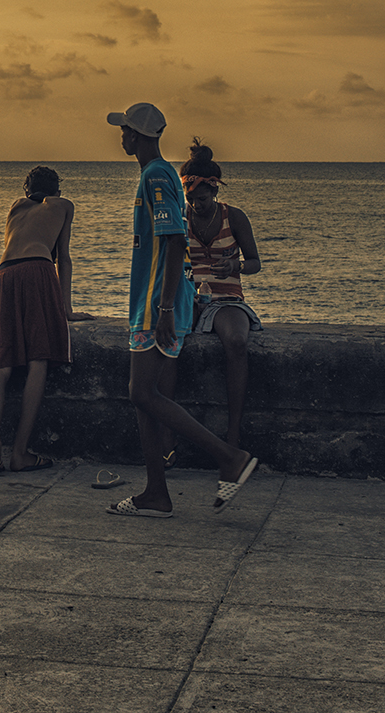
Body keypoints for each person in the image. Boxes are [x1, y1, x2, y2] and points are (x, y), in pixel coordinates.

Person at [106, 102, 257, 517]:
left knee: (141, 392)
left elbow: (174, 241)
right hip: (153, 300)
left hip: (158, 302)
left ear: (137, 136)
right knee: (146, 397)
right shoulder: (160, 175)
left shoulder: (155, 175)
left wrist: (167, 307)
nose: (121, 137)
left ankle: (229, 457)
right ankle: (156, 492)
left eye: (125, 131)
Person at [0, 166, 93, 474]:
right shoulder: (63, 205)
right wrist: (66, 309)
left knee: (0, 364)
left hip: (4, 275)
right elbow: (63, 257)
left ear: (26, 189)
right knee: (38, 359)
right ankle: (20, 453)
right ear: (57, 189)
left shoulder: (16, 206)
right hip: (37, 270)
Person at [182, 139, 263, 449]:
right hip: (189, 295)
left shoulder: (235, 217)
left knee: (237, 342)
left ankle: (234, 432)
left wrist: (236, 264)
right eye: (190, 199)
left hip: (226, 296)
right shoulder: (180, 217)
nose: (195, 205)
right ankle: (169, 437)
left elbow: (255, 262)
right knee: (170, 343)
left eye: (201, 199)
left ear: (214, 192)